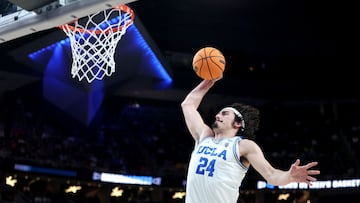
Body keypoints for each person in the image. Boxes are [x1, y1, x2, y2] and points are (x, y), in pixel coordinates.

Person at [181, 78, 320, 203]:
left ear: (237, 124)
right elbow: (187, 105)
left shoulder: (243, 146)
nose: (217, 115)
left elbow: (271, 175)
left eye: (224, 113)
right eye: (219, 112)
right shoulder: (204, 136)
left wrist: (289, 176)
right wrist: (208, 82)